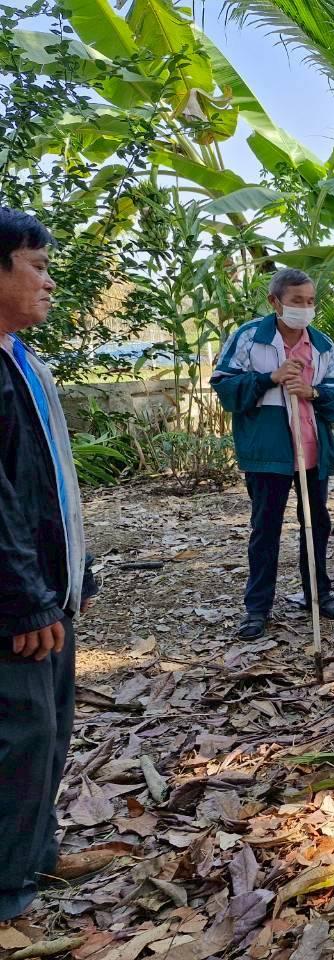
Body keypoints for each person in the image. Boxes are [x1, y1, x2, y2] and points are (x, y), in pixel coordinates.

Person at [0, 208, 99, 920]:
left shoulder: (20, 360)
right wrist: (23, 598)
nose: (49, 281)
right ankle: (8, 890)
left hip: (43, 586)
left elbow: (47, 480)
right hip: (15, 599)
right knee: (20, 732)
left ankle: (34, 854)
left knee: (50, 727)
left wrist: (72, 573)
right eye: (36, 266)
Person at [212, 268, 334, 640]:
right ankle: (257, 608)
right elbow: (225, 387)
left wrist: (314, 393)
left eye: (310, 301)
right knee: (266, 528)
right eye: (296, 301)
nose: (304, 308)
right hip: (268, 451)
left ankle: (318, 594)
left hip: (312, 450)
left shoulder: (322, 345)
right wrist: (268, 378)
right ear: (275, 302)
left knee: (316, 524)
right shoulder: (249, 338)